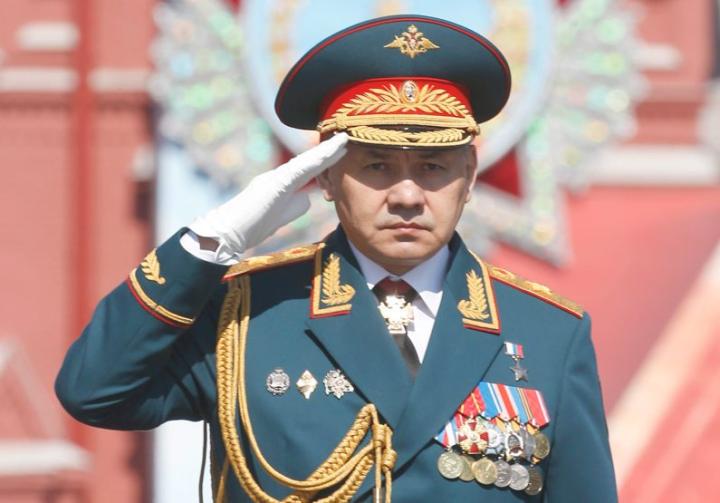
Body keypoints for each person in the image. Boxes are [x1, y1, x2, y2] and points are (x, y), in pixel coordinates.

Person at [56, 14, 617, 502]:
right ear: (326, 176)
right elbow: (95, 391)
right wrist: (209, 244)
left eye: (432, 167)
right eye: (376, 166)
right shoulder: (246, 313)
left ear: (469, 176)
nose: (406, 195)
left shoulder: (548, 334)